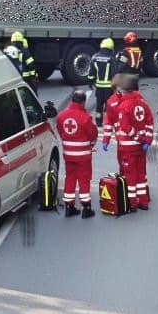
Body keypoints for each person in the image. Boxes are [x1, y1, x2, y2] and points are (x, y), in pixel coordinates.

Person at [113, 75, 155, 211]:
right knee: (141, 174)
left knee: (130, 176)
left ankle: (132, 203)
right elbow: (149, 122)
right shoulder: (143, 104)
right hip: (141, 148)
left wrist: (137, 137)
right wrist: (147, 140)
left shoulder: (123, 106)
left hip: (128, 147)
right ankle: (144, 202)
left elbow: (125, 127)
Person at [56, 90, 98, 218]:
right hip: (83, 156)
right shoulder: (85, 118)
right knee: (84, 180)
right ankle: (86, 208)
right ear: (83, 102)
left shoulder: (61, 116)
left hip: (68, 154)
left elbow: (60, 131)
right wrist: (90, 145)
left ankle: (69, 207)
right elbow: (93, 134)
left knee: (70, 178)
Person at [88, 39, 116, 125]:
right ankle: (108, 122)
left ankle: (98, 122)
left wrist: (90, 82)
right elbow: (114, 73)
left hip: (99, 88)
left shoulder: (95, 57)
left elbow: (91, 73)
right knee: (109, 106)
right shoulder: (111, 58)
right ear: (111, 47)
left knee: (99, 106)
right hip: (109, 88)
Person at [99, 74, 127, 150]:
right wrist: (106, 139)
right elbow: (108, 123)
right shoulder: (111, 102)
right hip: (121, 140)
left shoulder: (134, 97)